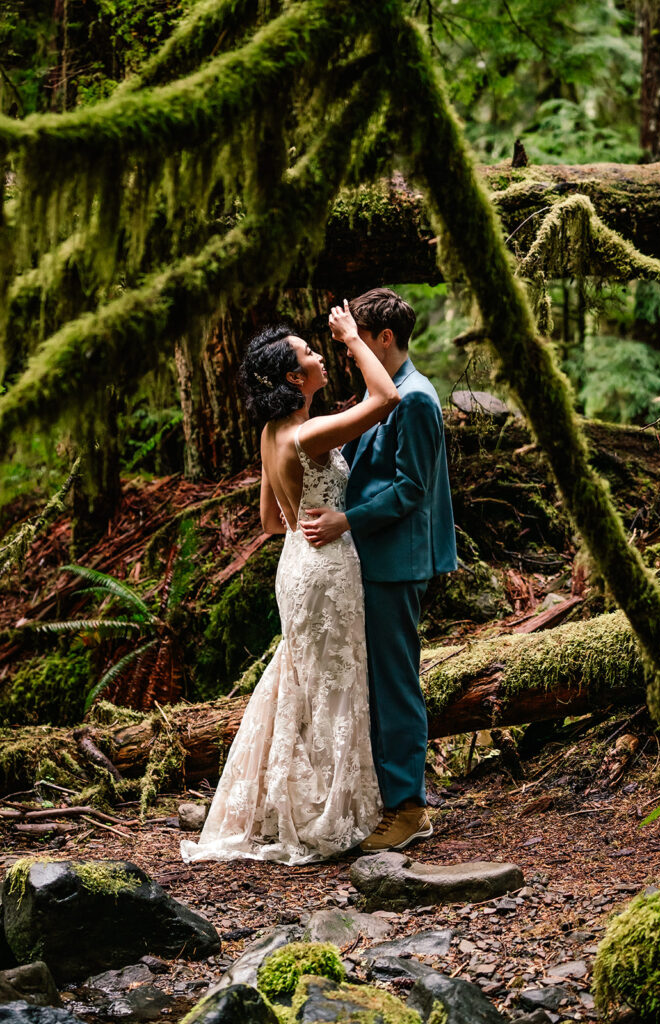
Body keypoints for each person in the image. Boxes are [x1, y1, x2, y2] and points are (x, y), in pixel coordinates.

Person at [180, 301, 399, 865]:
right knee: (333, 686)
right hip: (325, 570)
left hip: (296, 566)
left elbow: (271, 522)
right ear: (293, 378)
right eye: (310, 352)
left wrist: (307, 521)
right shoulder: (309, 436)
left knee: (307, 682)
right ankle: (324, 812)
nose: (321, 354)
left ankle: (293, 801)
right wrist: (354, 338)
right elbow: (386, 398)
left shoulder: (272, 433)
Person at [300, 288, 457, 852]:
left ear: (383, 338)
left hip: (395, 561)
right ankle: (388, 797)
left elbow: (411, 490)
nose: (348, 354)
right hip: (375, 559)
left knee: (394, 683)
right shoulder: (385, 395)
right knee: (379, 680)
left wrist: (347, 521)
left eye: (355, 341)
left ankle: (409, 808)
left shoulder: (415, 399)